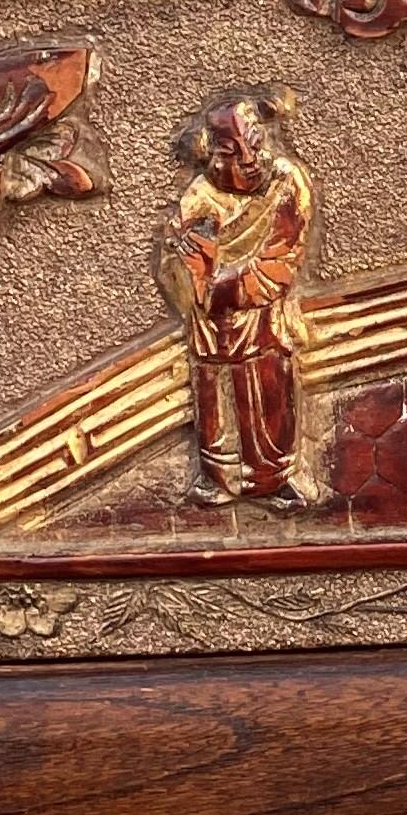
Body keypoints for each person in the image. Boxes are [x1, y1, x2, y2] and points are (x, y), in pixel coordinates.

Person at [154, 87, 313, 506]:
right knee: (215, 391)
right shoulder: (200, 197)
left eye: (255, 145)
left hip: (261, 316)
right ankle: (217, 477)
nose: (249, 160)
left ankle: (273, 477)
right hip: (212, 321)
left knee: (268, 386)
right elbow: (182, 270)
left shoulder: (285, 183)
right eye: (233, 152)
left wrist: (217, 281)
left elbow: (282, 257)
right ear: (213, 154)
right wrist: (196, 273)